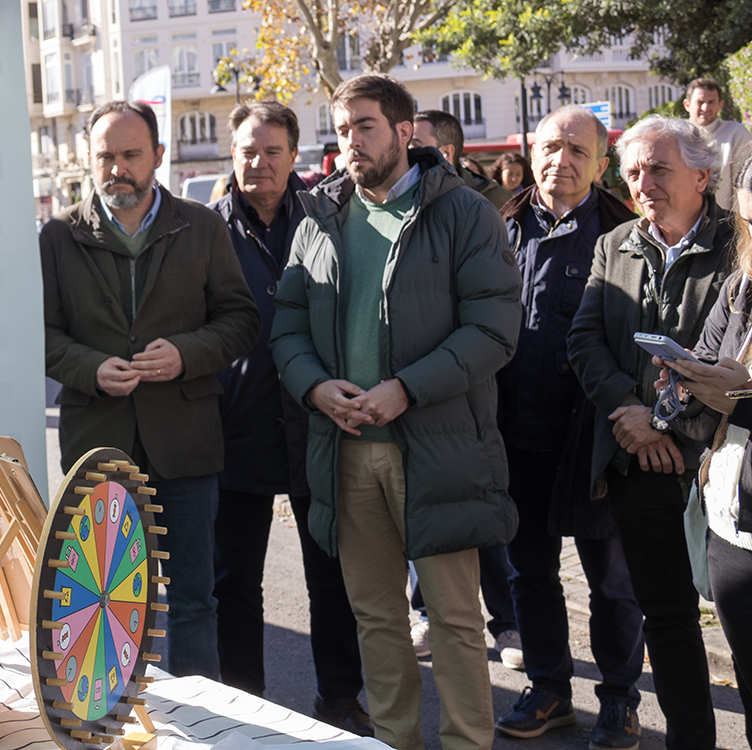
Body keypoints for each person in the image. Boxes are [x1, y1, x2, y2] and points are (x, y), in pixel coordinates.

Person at [272, 74, 521, 750]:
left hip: (436, 445)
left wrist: (405, 388)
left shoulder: (466, 213)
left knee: (454, 618)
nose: (351, 140)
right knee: (376, 617)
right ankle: (394, 741)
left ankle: (469, 742)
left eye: (366, 126)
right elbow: (287, 326)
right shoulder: (320, 216)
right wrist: (316, 388)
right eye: (343, 128)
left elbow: (495, 329)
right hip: (346, 447)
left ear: (405, 131)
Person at [40, 99, 259, 681]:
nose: (119, 168)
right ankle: (108, 723)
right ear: (88, 161)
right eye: (106, 156)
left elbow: (241, 320)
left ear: (159, 156)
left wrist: (186, 353)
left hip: (185, 444)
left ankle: (203, 729)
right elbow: (39, 335)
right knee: (100, 605)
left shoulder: (202, 225)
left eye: (131, 155)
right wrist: (90, 367)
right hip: (97, 445)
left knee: (192, 603)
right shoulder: (59, 236)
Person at [568, 114, 733, 750]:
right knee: (666, 617)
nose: (643, 183)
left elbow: (729, 356)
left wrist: (662, 422)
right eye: (633, 171)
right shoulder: (615, 244)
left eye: (658, 168)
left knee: (740, 620)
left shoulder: (738, 246)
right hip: (639, 461)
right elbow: (584, 338)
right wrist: (632, 418)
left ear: (701, 174)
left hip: (713, 462)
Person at [208, 102, 369, 735]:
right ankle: (245, 703)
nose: (259, 163)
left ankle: (339, 698)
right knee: (235, 583)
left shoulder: (330, 220)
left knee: (330, 577)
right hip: (235, 427)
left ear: (294, 156)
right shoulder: (205, 230)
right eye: (248, 150)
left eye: (272, 151)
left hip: (318, 427)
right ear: (232, 154)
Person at [492, 107, 645, 750]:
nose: (563, 160)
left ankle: (619, 702)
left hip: (594, 439)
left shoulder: (625, 231)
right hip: (513, 432)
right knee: (530, 573)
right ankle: (550, 689)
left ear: (602, 165)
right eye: (552, 146)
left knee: (613, 581)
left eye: (579, 151)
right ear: (531, 150)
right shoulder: (496, 224)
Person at [409, 109, 522, 668]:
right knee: (429, 525)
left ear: (446, 152)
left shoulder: (483, 210)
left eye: (419, 143)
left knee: (480, 519)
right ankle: (429, 616)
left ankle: (506, 624)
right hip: (416, 404)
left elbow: (488, 318)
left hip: (471, 393)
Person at [655, 150, 752, 747]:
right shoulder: (742, 279)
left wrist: (737, 400)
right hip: (731, 521)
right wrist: (680, 382)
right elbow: (704, 359)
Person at [413, 109, 511, 209]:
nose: (407, 153)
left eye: (414, 146)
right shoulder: (405, 197)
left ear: (446, 153)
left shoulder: (499, 200)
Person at [682, 77, 751, 210]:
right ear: (687, 105)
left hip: (724, 224)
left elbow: (744, 185)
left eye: (711, 102)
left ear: (721, 104)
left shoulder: (737, 133)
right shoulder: (674, 136)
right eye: (700, 102)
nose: (705, 107)